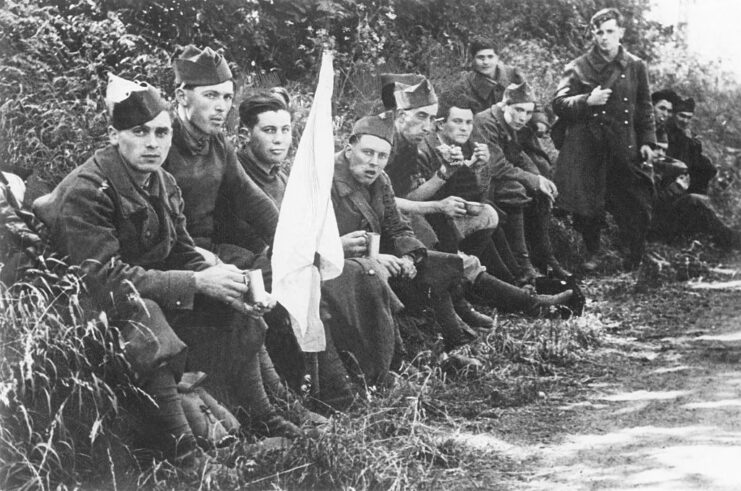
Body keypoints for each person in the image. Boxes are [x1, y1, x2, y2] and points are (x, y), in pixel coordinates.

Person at [33, 76, 275, 464]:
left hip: (138, 292)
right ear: (114, 136)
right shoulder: (87, 189)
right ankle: (188, 456)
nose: (153, 143)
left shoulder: (162, 181)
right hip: (74, 310)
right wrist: (197, 282)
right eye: (139, 132)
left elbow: (179, 251)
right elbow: (101, 278)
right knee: (147, 316)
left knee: (230, 294)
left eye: (162, 132)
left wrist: (228, 284)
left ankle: (269, 417)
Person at [161, 45, 321, 435]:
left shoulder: (217, 144)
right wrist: (205, 260)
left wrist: (292, 243)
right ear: (182, 96)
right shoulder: (161, 141)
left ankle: (282, 403)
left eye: (227, 97)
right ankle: (268, 414)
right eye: (210, 95)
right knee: (244, 295)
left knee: (268, 282)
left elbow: (252, 199)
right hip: (170, 255)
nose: (221, 107)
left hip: (206, 251)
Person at [235, 91, 399, 408]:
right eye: (269, 131)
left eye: (286, 130)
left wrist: (328, 248)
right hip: (253, 267)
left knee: (363, 272)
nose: (280, 139)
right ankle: (339, 392)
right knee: (341, 277)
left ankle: (377, 375)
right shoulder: (239, 174)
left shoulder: (282, 177)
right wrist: (325, 250)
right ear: (246, 134)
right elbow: (260, 238)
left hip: (292, 261)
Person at [382, 77, 574, 319]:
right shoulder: (410, 146)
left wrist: (478, 169)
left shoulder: (414, 143)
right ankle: (520, 298)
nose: (428, 125)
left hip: (428, 220)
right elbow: (397, 199)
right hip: (408, 226)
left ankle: (494, 284)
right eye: (423, 117)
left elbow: (471, 195)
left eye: (468, 122)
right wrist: (442, 187)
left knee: (488, 214)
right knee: (461, 254)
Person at [552, 7, 656, 272]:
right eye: (599, 32)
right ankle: (593, 253)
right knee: (590, 204)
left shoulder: (635, 65)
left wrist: (647, 141)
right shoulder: (577, 67)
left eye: (610, 31)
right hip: (589, 144)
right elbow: (559, 103)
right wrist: (587, 100)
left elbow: (644, 106)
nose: (604, 38)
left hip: (624, 144)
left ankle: (634, 256)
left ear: (621, 32)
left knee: (634, 199)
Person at [474, 81, 571, 280]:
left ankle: (545, 257)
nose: (522, 117)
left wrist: (538, 179)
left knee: (538, 190)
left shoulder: (510, 123)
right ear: (504, 105)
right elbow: (496, 165)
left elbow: (519, 156)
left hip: (497, 178)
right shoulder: (485, 122)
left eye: (528, 112)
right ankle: (523, 263)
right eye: (518, 110)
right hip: (478, 182)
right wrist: (533, 180)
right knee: (515, 189)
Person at [650, 125, 740, 248]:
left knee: (699, 202)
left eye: (664, 150)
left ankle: (724, 240)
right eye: (657, 148)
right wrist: (676, 188)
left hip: (661, 219)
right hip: (650, 227)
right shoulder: (642, 170)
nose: (661, 153)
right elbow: (651, 204)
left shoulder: (658, 165)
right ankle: (732, 241)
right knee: (693, 200)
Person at [451, 36, 526, 116]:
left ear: (497, 58)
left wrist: (539, 121)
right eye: (481, 57)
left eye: (490, 57)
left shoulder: (513, 75)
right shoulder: (464, 85)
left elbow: (531, 104)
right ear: (472, 59)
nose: (486, 62)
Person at [664, 95, 717, 195]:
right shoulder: (664, 132)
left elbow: (696, 163)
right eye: (682, 116)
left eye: (689, 117)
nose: (685, 121)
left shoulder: (689, 137)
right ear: (673, 114)